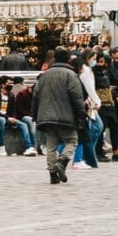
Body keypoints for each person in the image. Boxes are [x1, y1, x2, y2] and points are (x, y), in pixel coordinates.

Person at [31, 47, 86, 184]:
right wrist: (81, 114)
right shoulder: (70, 75)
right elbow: (77, 98)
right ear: (68, 59)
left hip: (46, 116)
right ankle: (61, 163)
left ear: (54, 58)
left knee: (51, 146)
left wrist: (35, 116)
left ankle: (53, 175)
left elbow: (35, 97)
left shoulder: (44, 75)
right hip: (66, 117)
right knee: (71, 141)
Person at [0, 75, 37, 157]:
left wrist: (13, 118)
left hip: (8, 118)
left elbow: (13, 109)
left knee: (23, 125)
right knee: (1, 120)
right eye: (9, 83)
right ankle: (1, 146)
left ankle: (29, 147)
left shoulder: (11, 95)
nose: (11, 85)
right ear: (3, 85)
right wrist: (7, 118)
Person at [94, 51, 118, 161]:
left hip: (110, 103)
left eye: (102, 62)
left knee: (115, 127)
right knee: (101, 129)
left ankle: (116, 151)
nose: (100, 64)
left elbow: (114, 84)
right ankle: (98, 153)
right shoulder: (93, 72)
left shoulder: (108, 72)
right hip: (100, 104)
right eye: (98, 62)